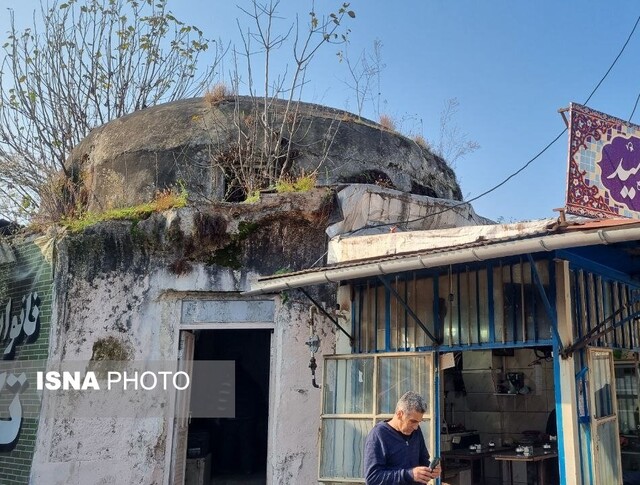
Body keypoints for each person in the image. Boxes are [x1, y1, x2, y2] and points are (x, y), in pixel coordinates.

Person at [364, 391, 441, 484]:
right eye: (413, 421)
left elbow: (423, 460)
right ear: (399, 414)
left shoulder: (416, 431)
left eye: (419, 422)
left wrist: (430, 469)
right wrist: (409, 475)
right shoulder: (378, 435)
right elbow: (372, 478)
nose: (416, 427)